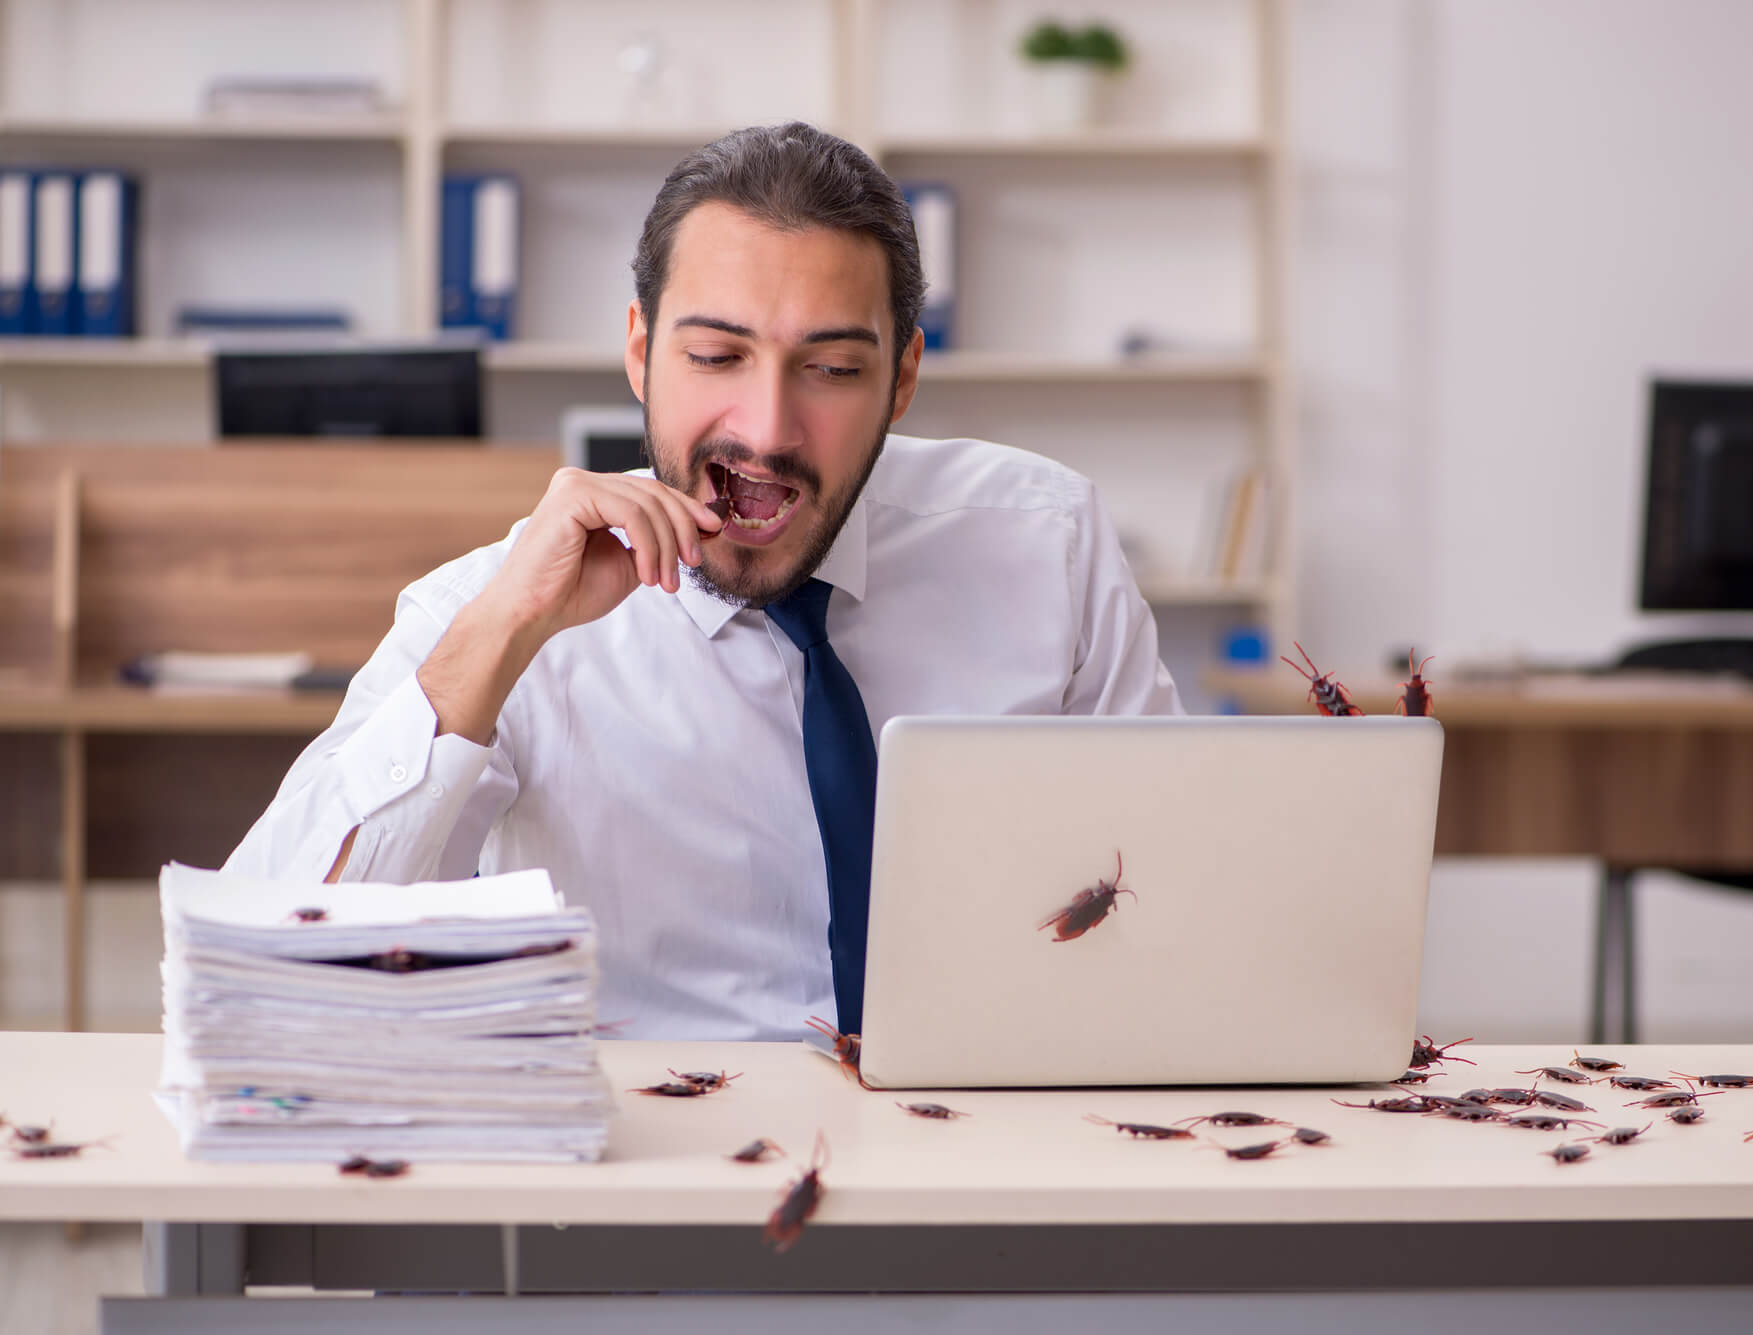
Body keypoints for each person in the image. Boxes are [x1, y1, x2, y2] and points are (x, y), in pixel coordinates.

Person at [226, 122, 1182, 1040]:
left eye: (834, 367)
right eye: (717, 356)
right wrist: (502, 633)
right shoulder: (493, 611)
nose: (766, 430)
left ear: (902, 378)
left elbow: (1180, 891)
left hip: (990, 1146)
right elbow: (258, 962)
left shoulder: (1046, 543)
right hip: (655, 1170)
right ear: (640, 352)